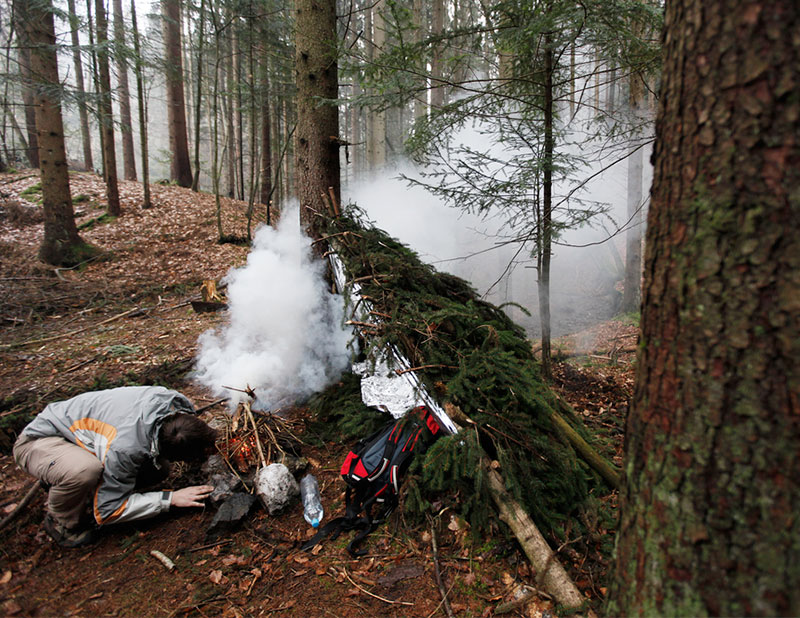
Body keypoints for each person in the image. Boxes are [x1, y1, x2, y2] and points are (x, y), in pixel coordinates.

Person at [13, 385, 218, 548]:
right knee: (84, 472)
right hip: (41, 441)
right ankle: (62, 522)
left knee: (159, 470)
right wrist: (170, 499)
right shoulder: (124, 449)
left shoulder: (174, 402)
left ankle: (71, 481)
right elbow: (107, 510)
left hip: (82, 435)